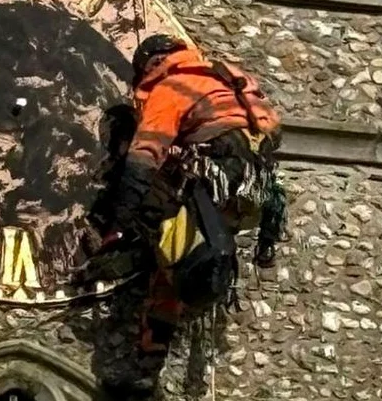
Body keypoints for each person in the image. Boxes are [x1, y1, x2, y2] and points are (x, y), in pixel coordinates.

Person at [82, 33, 287, 354]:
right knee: (179, 256)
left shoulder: (170, 85)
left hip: (215, 171)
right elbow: (272, 128)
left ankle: (120, 258)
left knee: (156, 216)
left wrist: (120, 223)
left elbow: (145, 155)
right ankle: (154, 348)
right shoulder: (229, 77)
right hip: (254, 182)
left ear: (152, 64)